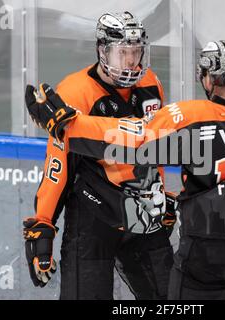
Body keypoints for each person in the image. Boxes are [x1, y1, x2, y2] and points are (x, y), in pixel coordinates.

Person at [25, 40, 225, 299]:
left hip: (204, 256)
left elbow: (132, 139)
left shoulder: (190, 121)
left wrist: (69, 126)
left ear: (209, 78)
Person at [22, 11, 176, 300]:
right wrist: (43, 224)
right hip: (93, 222)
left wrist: (162, 194)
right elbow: (58, 164)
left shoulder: (150, 83)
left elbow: (155, 147)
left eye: (136, 52)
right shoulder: (75, 92)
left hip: (143, 214)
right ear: (102, 51)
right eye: (122, 53)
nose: (132, 61)